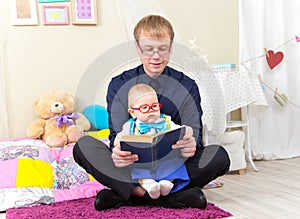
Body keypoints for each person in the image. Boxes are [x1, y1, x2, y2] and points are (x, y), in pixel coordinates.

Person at [73, 14, 230, 211]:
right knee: (83, 146)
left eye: (162, 49)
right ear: (138, 49)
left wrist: (191, 143)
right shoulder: (118, 84)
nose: (155, 56)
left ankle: (129, 195)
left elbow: (196, 134)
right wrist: (118, 151)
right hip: (132, 166)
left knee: (219, 156)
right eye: (148, 49)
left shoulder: (187, 85)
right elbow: (116, 137)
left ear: (171, 48)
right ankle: (163, 196)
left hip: (174, 165)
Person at [115, 83, 192, 199]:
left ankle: (167, 183)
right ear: (133, 112)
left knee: (174, 163)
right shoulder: (130, 126)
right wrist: (119, 146)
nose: (151, 111)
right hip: (142, 161)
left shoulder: (166, 121)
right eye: (144, 108)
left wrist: (188, 132)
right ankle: (149, 184)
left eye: (155, 106)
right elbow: (118, 139)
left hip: (164, 158)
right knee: (137, 168)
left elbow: (181, 130)